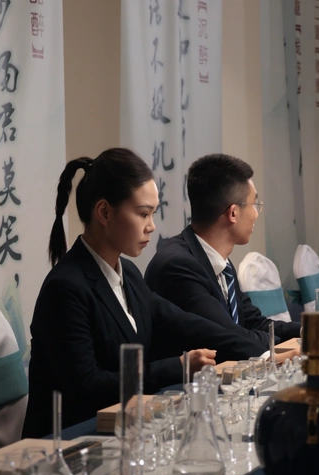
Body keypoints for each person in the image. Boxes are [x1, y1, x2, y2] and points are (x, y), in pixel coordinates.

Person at [23, 149, 270, 437]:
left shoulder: (129, 274)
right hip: (70, 443)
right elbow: (88, 386)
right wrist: (179, 366)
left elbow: (189, 324)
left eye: (153, 213)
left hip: (126, 431)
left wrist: (267, 348)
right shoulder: (65, 287)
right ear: (104, 212)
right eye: (143, 214)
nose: (151, 226)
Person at [145, 153, 301, 347]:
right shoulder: (178, 266)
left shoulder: (222, 265)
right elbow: (229, 338)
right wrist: (282, 346)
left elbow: (255, 323)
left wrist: (310, 330)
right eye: (254, 205)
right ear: (233, 213)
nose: (256, 214)